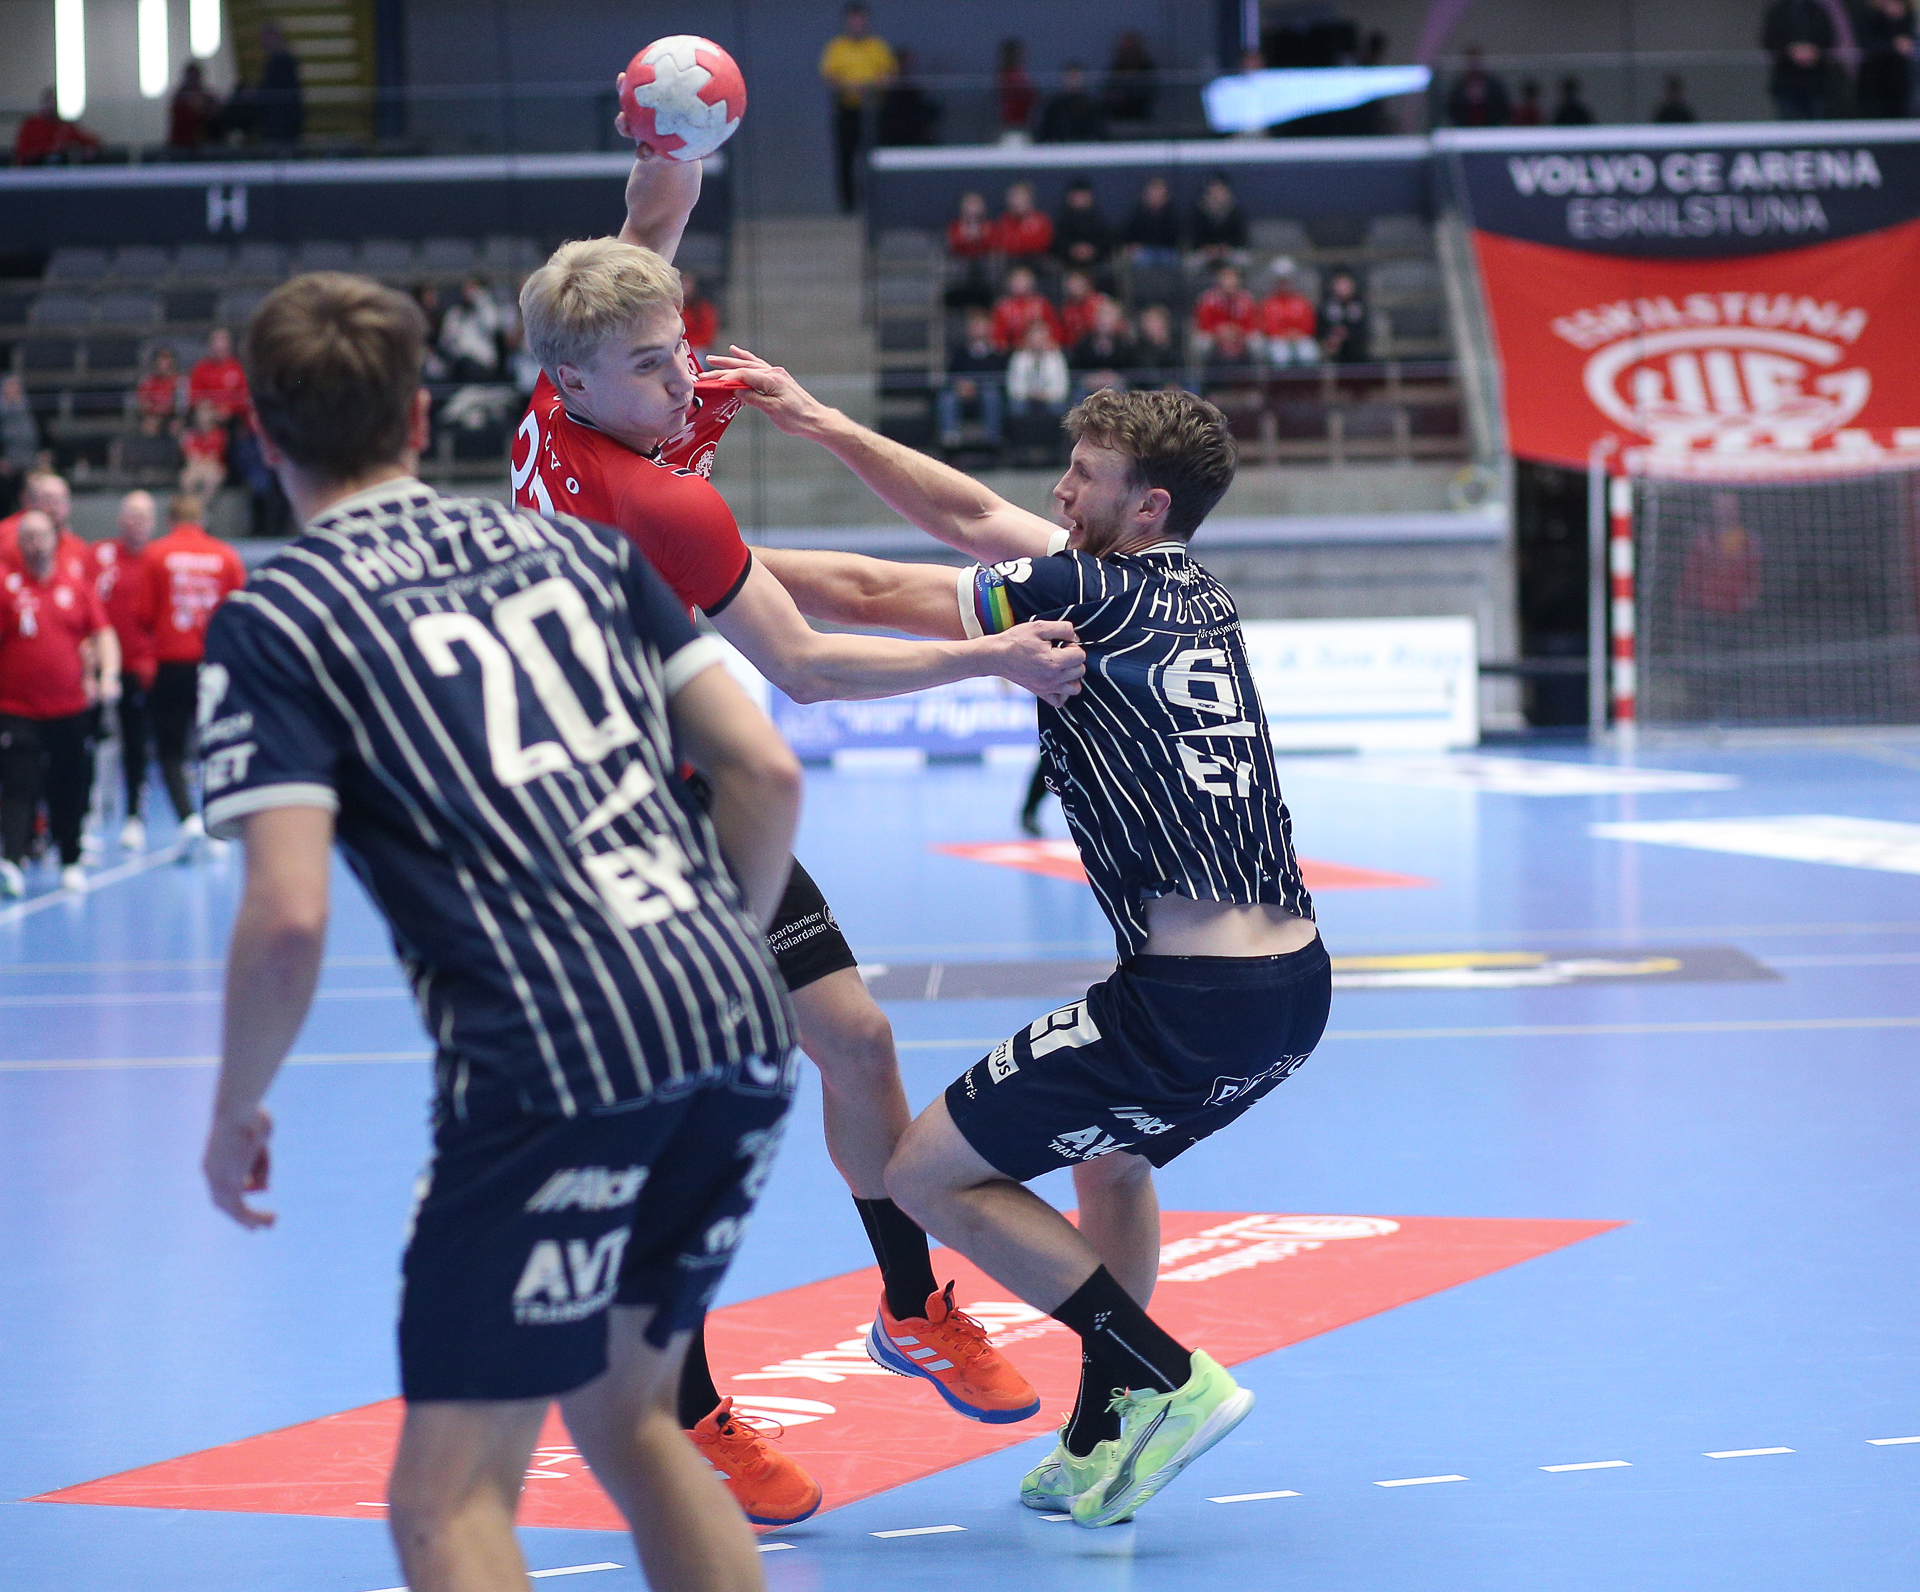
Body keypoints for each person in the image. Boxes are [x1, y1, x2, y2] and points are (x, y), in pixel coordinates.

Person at [197, 269, 805, 1592]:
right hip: (737, 1017)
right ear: (421, 416)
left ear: (261, 434)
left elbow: (288, 914)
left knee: (450, 1499)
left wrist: (235, 1107)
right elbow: (764, 770)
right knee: (632, 1418)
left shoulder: (278, 620)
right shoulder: (587, 554)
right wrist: (713, 965)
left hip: (553, 1053)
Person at [511, 139, 1082, 1526]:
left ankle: (910, 1305)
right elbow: (809, 669)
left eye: (679, 347)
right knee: (679, 1116)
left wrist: (677, 143)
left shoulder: (580, 375)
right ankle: (685, 1408)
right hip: (601, 834)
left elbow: (646, 224)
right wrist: (990, 662)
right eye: (650, 368)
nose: (683, 381)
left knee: (859, 1041)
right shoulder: (652, 499)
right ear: (572, 384)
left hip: (695, 794)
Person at [706, 360, 1332, 1531]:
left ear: (1146, 504)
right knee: (1113, 1160)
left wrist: (681, 555)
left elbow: (865, 589)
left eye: (1084, 477)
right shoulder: (1186, 586)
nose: (1058, 491)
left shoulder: (1077, 591)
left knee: (922, 1172)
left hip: (1191, 997)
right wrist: (823, 418)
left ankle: (1161, 1374)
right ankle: (1103, 1428)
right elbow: (967, 512)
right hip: (1294, 989)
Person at [0, 510, 119, 898]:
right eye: (28, 537)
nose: (36, 545)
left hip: (69, 708)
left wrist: (107, 675)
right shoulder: (7, 588)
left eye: (42, 536)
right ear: (19, 544)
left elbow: (103, 634)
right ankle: (11, 861)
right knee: (19, 782)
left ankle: (70, 858)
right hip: (16, 708)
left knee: (69, 784)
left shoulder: (75, 586)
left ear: (55, 540)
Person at [139, 492, 245, 852]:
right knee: (217, 746)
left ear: (170, 520)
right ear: (203, 519)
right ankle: (218, 821)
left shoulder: (156, 554)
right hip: (215, 664)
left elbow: (143, 613)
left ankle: (188, 819)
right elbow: (239, 612)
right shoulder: (224, 555)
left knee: (170, 748)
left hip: (171, 664)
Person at [90, 492, 160, 851]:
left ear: (153, 522)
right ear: (119, 519)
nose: (137, 522)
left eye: (143, 516)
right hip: (98, 667)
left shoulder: (158, 560)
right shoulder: (99, 556)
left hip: (140, 668)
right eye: (131, 515)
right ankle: (88, 815)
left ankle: (133, 816)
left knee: (136, 743)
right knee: (91, 741)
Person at [820, 2, 897, 213]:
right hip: (847, 110)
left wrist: (872, 86)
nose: (857, 25)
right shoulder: (836, 47)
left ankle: (875, 203)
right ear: (846, 22)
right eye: (853, 21)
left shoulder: (877, 46)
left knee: (874, 158)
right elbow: (828, 76)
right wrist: (849, 87)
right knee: (846, 159)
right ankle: (848, 207)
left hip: (873, 111)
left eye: (860, 21)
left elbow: (891, 74)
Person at [0, 470, 91, 583]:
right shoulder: (5, 536)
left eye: (61, 499)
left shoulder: (78, 548)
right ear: (30, 502)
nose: (55, 506)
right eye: (48, 499)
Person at [938, 306, 1008, 451]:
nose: (978, 330)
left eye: (982, 326)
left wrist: (977, 385)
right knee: (947, 398)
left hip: (987, 391)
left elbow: (1000, 377)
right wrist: (961, 385)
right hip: (962, 392)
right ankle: (950, 438)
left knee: (991, 395)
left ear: (989, 328)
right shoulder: (960, 352)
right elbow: (951, 375)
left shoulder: (997, 352)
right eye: (975, 326)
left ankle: (992, 438)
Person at [1763, 0, 1836, 120]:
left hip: (1815, 82)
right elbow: (1770, 40)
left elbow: (1828, 38)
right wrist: (1791, 50)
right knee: (1789, 123)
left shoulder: (1817, 10)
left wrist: (1812, 50)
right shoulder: (1778, 11)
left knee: (1816, 123)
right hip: (1787, 82)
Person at [1856, 0, 1917, 118]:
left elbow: (1910, 41)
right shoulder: (1870, 16)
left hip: (1900, 82)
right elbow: (1866, 43)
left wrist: (1897, 20)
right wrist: (1892, 45)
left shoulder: (1907, 17)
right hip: (1875, 81)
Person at [12, 88, 102, 165]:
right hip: (34, 169)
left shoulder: (64, 126)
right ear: (43, 103)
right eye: (49, 102)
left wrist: (89, 147)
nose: (52, 106)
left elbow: (88, 140)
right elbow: (22, 150)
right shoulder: (31, 124)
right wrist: (48, 150)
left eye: (55, 103)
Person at [1069, 298, 1137, 398]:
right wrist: (1089, 379)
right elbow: (1075, 371)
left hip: (1117, 387)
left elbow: (1133, 372)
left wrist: (1116, 378)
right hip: (1089, 388)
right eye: (1101, 315)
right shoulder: (1084, 343)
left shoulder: (1126, 344)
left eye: (1109, 316)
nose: (1104, 321)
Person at [875, 45, 942, 146]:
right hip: (894, 130)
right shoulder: (890, 88)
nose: (907, 64)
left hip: (913, 129)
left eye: (909, 61)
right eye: (904, 61)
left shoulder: (915, 87)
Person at [1256, 258, 1318, 366]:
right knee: (1281, 356)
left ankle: (1307, 377)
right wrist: (1284, 335)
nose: (1284, 285)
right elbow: (1267, 326)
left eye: (1286, 281)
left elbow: (1309, 324)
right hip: (1277, 339)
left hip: (1300, 337)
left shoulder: (1302, 301)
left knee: (1308, 354)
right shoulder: (1268, 303)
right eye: (1280, 281)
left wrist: (1297, 334)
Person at [991, 264, 1064, 351]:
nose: (1020, 284)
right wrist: (1009, 347)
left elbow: (1054, 327)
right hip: (1012, 350)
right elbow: (998, 334)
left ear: (1032, 282)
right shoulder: (1002, 306)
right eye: (1017, 280)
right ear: (1009, 282)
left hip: (1042, 348)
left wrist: (1053, 342)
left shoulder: (1041, 303)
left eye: (1024, 280)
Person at [1006, 320, 1070, 418]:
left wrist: (1045, 395)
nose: (1038, 341)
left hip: (1050, 399)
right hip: (1025, 398)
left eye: (1041, 336)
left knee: (1057, 407)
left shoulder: (1056, 357)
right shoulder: (1019, 358)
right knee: (1017, 407)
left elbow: (1062, 389)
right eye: (1034, 336)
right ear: (1027, 338)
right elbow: (1013, 388)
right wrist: (1030, 394)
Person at [1053, 179, 1114, 281]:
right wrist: (1072, 250)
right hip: (1067, 263)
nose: (1080, 199)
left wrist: (1092, 250)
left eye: (1083, 196)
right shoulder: (1061, 220)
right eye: (1077, 196)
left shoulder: (1100, 220)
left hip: (1097, 263)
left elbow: (1108, 242)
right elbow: (1056, 242)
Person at [1191, 264, 1256, 360]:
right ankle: (1201, 370)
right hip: (1214, 336)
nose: (1229, 281)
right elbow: (1203, 324)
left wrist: (1236, 331)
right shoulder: (1208, 299)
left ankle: (1257, 370)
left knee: (1256, 343)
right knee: (1202, 343)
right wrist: (1219, 331)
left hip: (1240, 335)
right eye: (1225, 278)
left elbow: (1252, 324)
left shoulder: (1246, 299)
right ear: (1219, 280)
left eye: (1232, 277)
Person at [188, 328, 250, 423]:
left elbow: (244, 396)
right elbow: (194, 396)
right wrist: (210, 409)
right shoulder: (200, 369)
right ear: (210, 345)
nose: (218, 345)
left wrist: (230, 408)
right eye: (215, 341)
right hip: (208, 415)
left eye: (222, 341)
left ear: (229, 345)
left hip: (235, 417)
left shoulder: (238, 368)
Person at [258, 21, 305, 144]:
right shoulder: (276, 60)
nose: (263, 42)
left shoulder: (283, 60)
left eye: (266, 37)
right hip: (279, 116)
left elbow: (278, 88)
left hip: (282, 118)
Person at [1038, 63, 1108, 143]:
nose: (1073, 81)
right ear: (1063, 79)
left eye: (1076, 77)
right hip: (1059, 148)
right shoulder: (1053, 105)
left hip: (1087, 148)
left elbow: (1100, 132)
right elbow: (1042, 132)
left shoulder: (1092, 105)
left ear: (1083, 78)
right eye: (1070, 77)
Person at [1101, 28, 1159, 124]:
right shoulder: (1117, 66)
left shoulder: (1146, 66)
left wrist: (1132, 93)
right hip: (1118, 111)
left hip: (1140, 108)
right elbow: (1109, 86)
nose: (1127, 48)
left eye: (1130, 44)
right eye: (1125, 45)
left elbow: (1151, 87)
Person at [1122, 175, 1182, 267]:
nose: (1156, 196)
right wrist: (1131, 246)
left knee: (1170, 260)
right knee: (1140, 259)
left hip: (1167, 250)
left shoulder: (1172, 214)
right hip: (1144, 250)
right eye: (1153, 192)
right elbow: (1128, 234)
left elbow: (1176, 237)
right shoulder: (1137, 213)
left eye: (1159, 193)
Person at [1189, 175, 1249, 266]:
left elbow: (1241, 239)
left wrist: (1226, 248)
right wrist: (1208, 249)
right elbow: (1194, 238)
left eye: (1219, 189)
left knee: (1243, 260)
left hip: (1229, 252)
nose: (1216, 193)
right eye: (1214, 189)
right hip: (1206, 253)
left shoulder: (1235, 211)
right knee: (1191, 263)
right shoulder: (1199, 211)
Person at [1446, 45, 1511, 127]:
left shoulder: (1494, 85)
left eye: (1476, 62)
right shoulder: (1458, 87)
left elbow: (1503, 108)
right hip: (1464, 129)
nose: (1474, 66)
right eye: (1470, 62)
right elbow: (1451, 110)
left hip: (1491, 128)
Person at [0, 376, 38, 518]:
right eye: (9, 388)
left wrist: (42, 454)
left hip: (29, 461)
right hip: (6, 464)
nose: (13, 392)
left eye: (16, 388)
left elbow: (44, 434)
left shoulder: (30, 410)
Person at [1319, 266, 1368, 364]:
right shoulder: (1327, 306)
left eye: (1345, 285)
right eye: (1339, 284)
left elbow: (1364, 330)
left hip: (1355, 349)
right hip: (1334, 347)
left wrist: (1347, 333)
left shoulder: (1359, 305)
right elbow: (1321, 329)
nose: (1342, 288)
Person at [179, 402, 229, 497]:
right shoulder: (189, 434)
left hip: (212, 467)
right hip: (194, 467)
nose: (204, 415)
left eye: (207, 411)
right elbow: (191, 457)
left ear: (213, 413)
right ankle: (191, 504)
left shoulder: (220, 434)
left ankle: (201, 505)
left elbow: (214, 457)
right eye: (201, 411)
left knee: (212, 477)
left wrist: (203, 463)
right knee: (186, 478)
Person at [168, 61, 222, 149]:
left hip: (201, 143)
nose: (193, 80)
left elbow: (215, 111)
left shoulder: (206, 95)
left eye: (196, 77)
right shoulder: (180, 97)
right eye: (191, 77)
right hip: (181, 143)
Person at [1129, 304, 1183, 390]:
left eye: (1153, 321)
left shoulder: (1176, 346)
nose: (1149, 326)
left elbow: (1181, 372)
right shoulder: (1138, 349)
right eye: (1147, 322)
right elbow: (1144, 374)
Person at [995, 181, 1054, 260]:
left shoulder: (1041, 220)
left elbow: (1041, 245)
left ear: (1030, 200)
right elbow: (1001, 245)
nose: (1017, 202)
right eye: (1014, 198)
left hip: (1036, 260)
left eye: (1022, 198)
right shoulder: (1002, 221)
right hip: (1010, 260)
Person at [1057, 270, 1116, 347]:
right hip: (1074, 348)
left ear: (1087, 283)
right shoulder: (1066, 309)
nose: (1075, 287)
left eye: (1078, 283)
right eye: (1072, 283)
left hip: (1098, 344)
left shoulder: (1101, 302)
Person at [136, 346, 186, 433]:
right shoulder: (147, 381)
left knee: (176, 426)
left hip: (172, 417)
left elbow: (181, 407)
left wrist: (165, 409)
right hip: (152, 416)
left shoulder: (180, 381)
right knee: (149, 426)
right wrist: (156, 411)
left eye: (166, 359)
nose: (162, 363)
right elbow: (143, 404)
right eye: (160, 359)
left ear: (173, 361)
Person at [996, 38, 1037, 139]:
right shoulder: (1002, 77)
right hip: (1008, 126)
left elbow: (1031, 97)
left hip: (1022, 125)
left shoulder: (1020, 76)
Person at [679, 270, 720, 363]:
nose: (686, 287)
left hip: (697, 350)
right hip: (677, 348)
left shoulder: (703, 308)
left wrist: (689, 347)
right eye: (683, 282)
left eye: (688, 283)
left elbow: (707, 334)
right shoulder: (673, 307)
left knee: (696, 359)